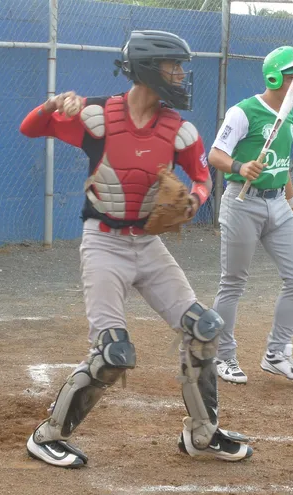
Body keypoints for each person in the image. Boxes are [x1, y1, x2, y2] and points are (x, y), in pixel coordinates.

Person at [18, 30, 252, 468]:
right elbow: (30, 128)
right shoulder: (97, 116)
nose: (181, 75)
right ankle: (47, 436)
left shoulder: (180, 131)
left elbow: (203, 180)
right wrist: (51, 104)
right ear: (148, 68)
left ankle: (202, 433)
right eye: (173, 66)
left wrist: (195, 200)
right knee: (112, 354)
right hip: (104, 243)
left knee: (204, 329)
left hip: (148, 245)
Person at [208, 45, 293, 385]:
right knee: (233, 282)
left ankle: (277, 354)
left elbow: (281, 167)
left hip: (278, 203)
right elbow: (216, 155)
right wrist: (240, 165)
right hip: (242, 203)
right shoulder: (244, 112)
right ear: (274, 76)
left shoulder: (289, 113)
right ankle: (223, 356)